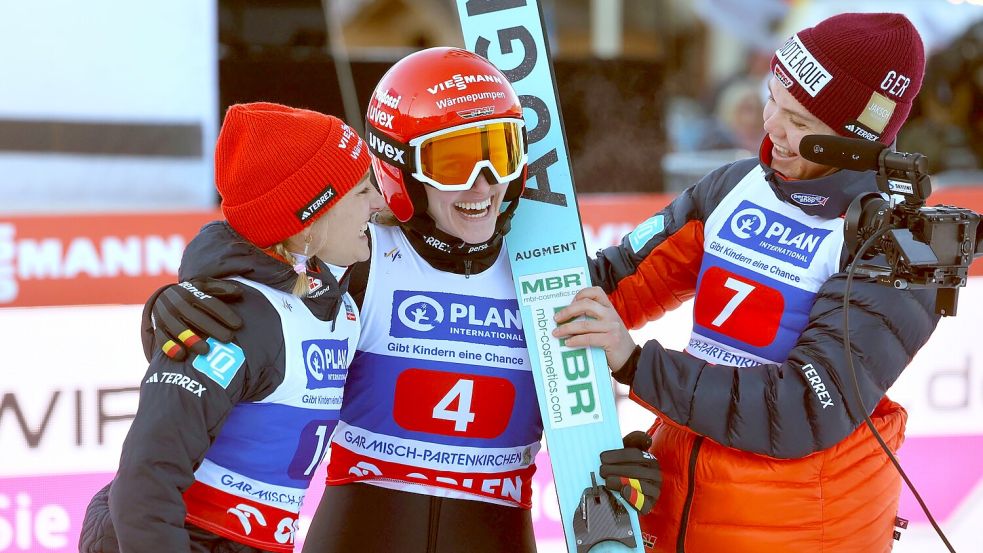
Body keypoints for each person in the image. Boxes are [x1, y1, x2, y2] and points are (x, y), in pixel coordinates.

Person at [135, 48, 660, 553]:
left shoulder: (549, 274)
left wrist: (631, 461)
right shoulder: (362, 255)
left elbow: (685, 254)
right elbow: (265, 241)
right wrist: (186, 291)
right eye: (453, 162)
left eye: (500, 154)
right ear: (400, 167)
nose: (484, 184)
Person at [553, 12, 940, 553]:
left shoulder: (894, 244)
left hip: (800, 534)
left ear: (853, 142)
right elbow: (611, 285)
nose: (771, 127)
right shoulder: (736, 186)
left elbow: (803, 409)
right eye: (771, 99)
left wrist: (638, 366)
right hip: (689, 517)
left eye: (799, 121)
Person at [79, 102, 383, 552]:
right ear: (310, 218)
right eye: (361, 191)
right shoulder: (231, 319)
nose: (378, 203)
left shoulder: (331, 296)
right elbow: (145, 483)